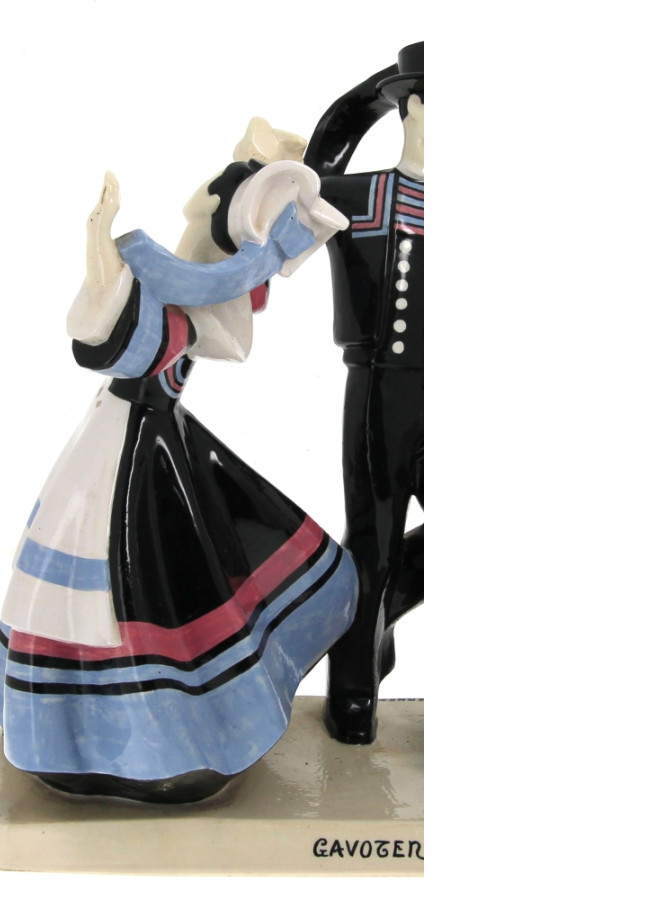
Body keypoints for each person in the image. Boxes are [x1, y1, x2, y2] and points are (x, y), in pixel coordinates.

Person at [0, 123, 357, 802]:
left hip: (149, 447)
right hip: (120, 456)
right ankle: (109, 739)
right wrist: (101, 251)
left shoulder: (187, 306)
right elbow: (102, 339)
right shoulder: (159, 297)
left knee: (170, 585)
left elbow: (187, 326)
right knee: (122, 594)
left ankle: (169, 736)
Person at [304, 42, 425, 745]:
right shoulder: (361, 197)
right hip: (377, 390)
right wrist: (374, 93)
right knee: (370, 539)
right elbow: (307, 178)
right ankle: (353, 682)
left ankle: (387, 607)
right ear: (415, 111)